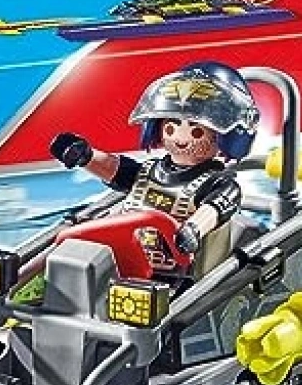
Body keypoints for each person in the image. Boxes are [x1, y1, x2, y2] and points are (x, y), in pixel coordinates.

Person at [49, 61, 260, 276]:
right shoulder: (147, 172)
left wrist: (193, 230)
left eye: (196, 132)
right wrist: (85, 155)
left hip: (181, 276)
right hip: (124, 260)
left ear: (227, 137)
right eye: (171, 128)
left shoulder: (220, 186)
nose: (180, 139)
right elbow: (114, 167)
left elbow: (212, 210)